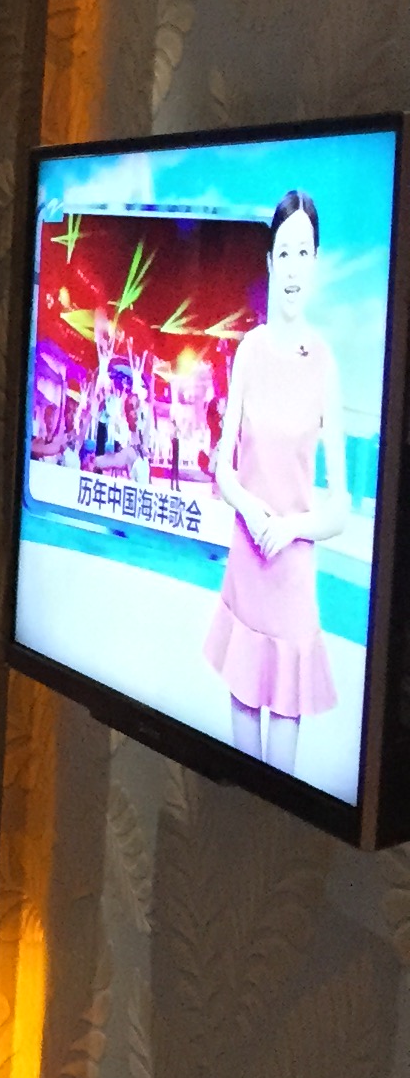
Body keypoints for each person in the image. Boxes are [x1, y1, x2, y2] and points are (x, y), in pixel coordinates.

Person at [206, 191, 347, 769]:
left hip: (292, 581)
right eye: (283, 253)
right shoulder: (249, 351)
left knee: (280, 786)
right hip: (247, 566)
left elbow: (339, 510)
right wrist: (248, 505)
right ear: (268, 261)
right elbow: (223, 466)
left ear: (315, 262)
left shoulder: (326, 366)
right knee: (242, 772)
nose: (292, 267)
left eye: (303, 253)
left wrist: (289, 528)